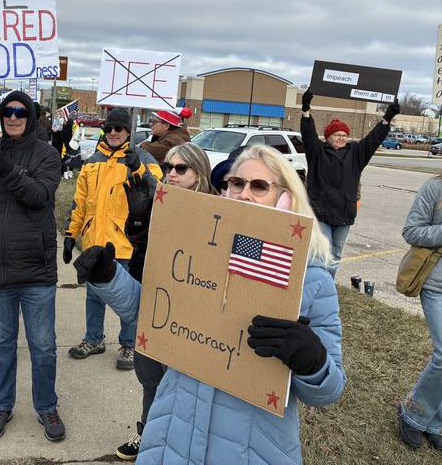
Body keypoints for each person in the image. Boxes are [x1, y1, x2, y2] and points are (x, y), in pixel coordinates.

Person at [73, 144, 346, 464]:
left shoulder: (311, 280)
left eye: (259, 186)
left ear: (286, 198)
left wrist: (312, 360)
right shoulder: (198, 250)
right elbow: (153, 313)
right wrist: (108, 277)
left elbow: (328, 391)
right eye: (236, 183)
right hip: (172, 434)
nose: (244, 194)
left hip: (249, 449)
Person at [0, 91, 65, 442]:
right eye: (7, 112)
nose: (13, 117)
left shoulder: (48, 154)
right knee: (2, 344)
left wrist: (4, 167)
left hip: (35, 271)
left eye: (20, 112)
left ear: (31, 117)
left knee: (43, 346)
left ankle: (46, 405)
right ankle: (2, 404)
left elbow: (38, 196)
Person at [114, 142, 216, 461]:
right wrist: (137, 224)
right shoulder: (161, 202)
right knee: (149, 377)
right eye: (168, 167)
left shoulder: (218, 213)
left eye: (180, 168)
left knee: (185, 388)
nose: (171, 173)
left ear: (199, 172)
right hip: (157, 304)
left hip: (194, 314)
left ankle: (181, 445)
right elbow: (144, 256)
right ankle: (147, 433)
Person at [64, 107, 162, 370]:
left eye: (118, 128)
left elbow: (158, 192)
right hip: (94, 240)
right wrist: (70, 234)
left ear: (128, 131)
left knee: (126, 299)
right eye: (108, 128)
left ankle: (129, 345)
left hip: (124, 243)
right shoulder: (93, 160)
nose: (113, 133)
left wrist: (139, 168)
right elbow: (80, 202)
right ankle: (93, 339)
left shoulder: (143, 157)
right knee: (94, 296)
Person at [397, 135, 442, 453]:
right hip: (438, 285)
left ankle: (433, 423)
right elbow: (411, 231)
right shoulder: (434, 189)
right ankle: (412, 413)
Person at [300, 90, 399, 278]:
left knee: (336, 253)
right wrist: (306, 110)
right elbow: (308, 135)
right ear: (328, 137)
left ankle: (327, 283)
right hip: (321, 212)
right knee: (322, 251)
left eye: (344, 135)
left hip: (345, 212)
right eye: (337, 135)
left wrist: (387, 118)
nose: (341, 138)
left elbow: (373, 140)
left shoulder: (356, 153)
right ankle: (315, 282)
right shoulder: (317, 152)